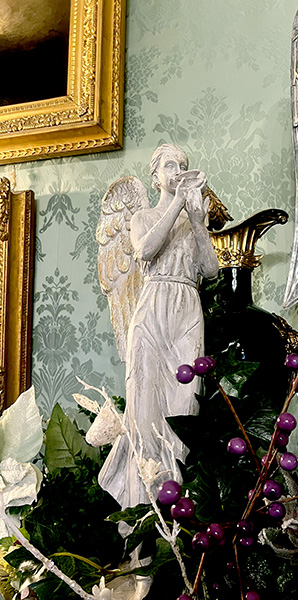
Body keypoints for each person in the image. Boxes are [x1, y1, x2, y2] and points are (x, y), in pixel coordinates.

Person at [98, 144, 219, 508]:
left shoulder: (192, 220)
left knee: (184, 409)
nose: (178, 170)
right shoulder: (143, 217)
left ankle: (175, 513)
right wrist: (178, 203)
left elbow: (210, 270)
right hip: (151, 312)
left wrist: (197, 222)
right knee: (144, 410)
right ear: (155, 177)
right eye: (170, 165)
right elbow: (146, 251)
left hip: (186, 311)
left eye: (183, 165)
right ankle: (140, 510)